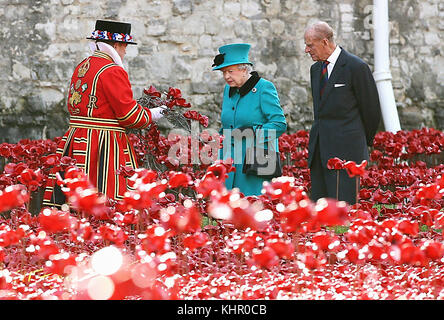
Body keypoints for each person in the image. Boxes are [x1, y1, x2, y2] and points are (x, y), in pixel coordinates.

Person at [42, 19, 166, 208]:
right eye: (125, 47)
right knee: (106, 193)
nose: (125, 52)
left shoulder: (83, 66)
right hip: (103, 143)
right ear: (117, 45)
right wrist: (152, 114)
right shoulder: (113, 71)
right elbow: (128, 115)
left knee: (74, 195)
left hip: (76, 138)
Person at [304, 21, 381, 205]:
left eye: (310, 45)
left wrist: (360, 143)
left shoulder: (356, 67)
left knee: (344, 212)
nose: (306, 50)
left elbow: (372, 111)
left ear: (324, 42)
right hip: (319, 151)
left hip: (347, 153)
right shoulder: (315, 70)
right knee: (320, 212)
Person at [212, 43, 287, 196]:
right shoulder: (228, 89)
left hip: (254, 163)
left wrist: (251, 132)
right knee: (227, 212)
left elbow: (279, 125)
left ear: (244, 69)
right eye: (223, 72)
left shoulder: (264, 88)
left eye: (230, 71)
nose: (226, 76)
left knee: (250, 212)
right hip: (229, 162)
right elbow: (227, 124)